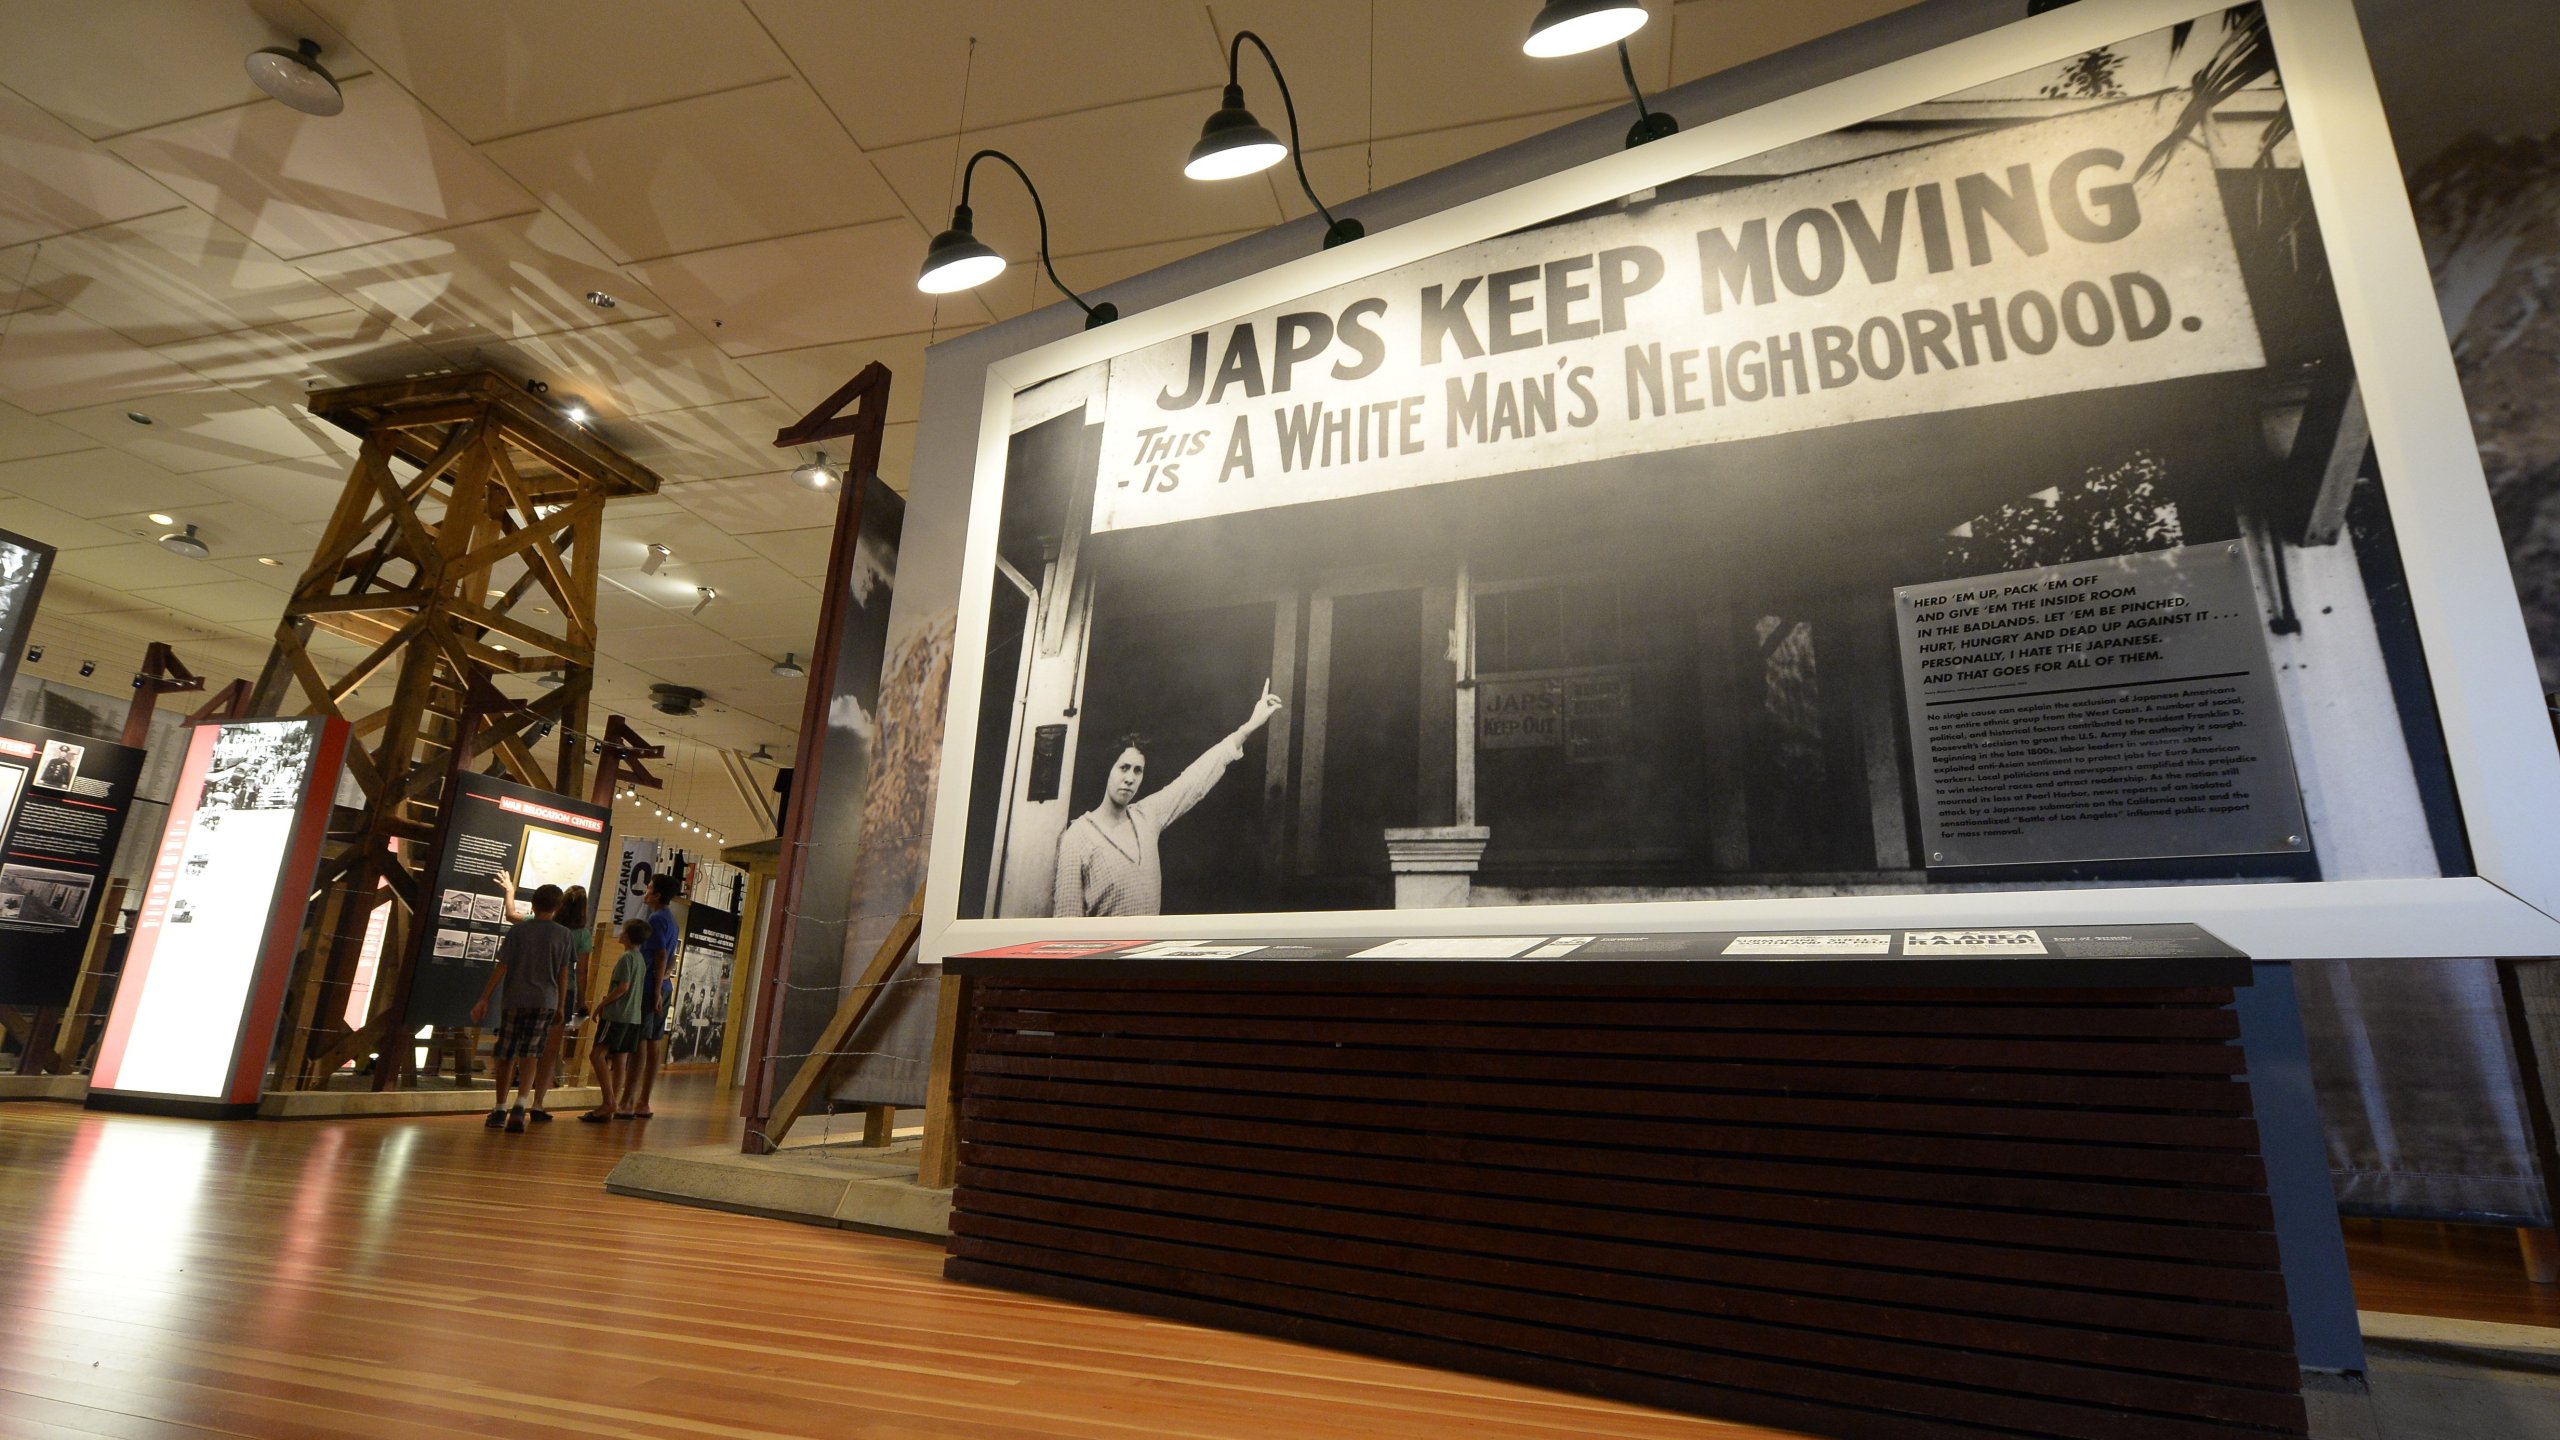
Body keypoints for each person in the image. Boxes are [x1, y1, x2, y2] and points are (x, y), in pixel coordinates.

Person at [1052, 680, 1283, 917]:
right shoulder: (1077, 837)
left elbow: (1193, 781)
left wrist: (1248, 727)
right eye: (1123, 768)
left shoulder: (1146, 816)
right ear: (1107, 770)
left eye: (1137, 770)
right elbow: (1067, 921)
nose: (1130, 778)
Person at [468, 883, 575, 1133]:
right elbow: (563, 972)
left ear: (533, 905)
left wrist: (484, 998)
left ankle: (499, 1108)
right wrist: (560, 1003)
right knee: (531, 1054)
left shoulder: (518, 931)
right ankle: (521, 1103)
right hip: (545, 1000)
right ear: (558, 908)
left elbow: (502, 966)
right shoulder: (564, 935)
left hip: (515, 998)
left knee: (506, 1054)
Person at [581, 917, 651, 1123]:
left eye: (623, 931)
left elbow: (623, 987)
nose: (620, 933)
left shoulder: (626, 958)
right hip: (633, 1017)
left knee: (597, 1055)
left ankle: (608, 1101)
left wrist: (602, 1004)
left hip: (617, 1015)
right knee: (620, 1059)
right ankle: (613, 1102)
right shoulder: (639, 959)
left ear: (627, 936)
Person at [630, 871, 681, 1119]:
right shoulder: (671, 919)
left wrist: (657, 986)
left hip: (652, 987)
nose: (646, 891)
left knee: (642, 1042)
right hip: (661, 985)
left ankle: (632, 1099)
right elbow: (671, 957)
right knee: (653, 1043)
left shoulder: (658, 918)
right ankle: (642, 1100)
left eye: (649, 887)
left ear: (657, 894)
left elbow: (661, 954)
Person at [542, 885, 592, 1089]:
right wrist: (582, 999)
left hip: (543, 982)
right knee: (554, 1040)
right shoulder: (582, 935)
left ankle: (526, 1073)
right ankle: (548, 1078)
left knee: (535, 1033)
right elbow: (582, 970)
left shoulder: (550, 926)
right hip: (567, 989)